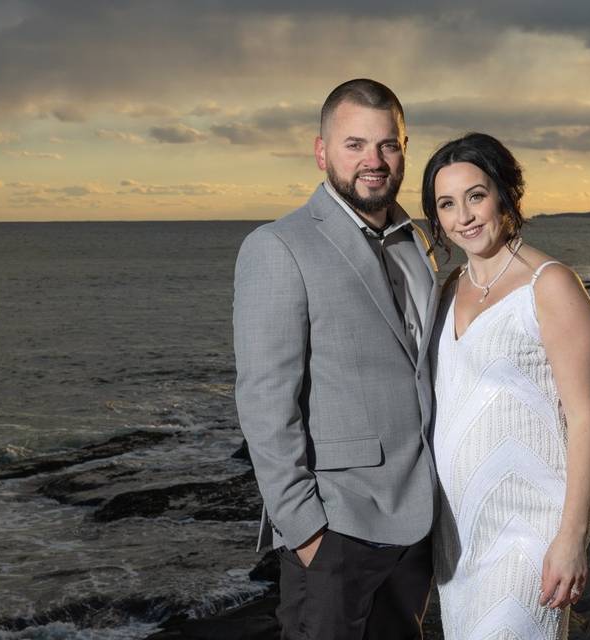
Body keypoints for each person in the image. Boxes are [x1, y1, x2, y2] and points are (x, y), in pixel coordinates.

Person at [233, 79, 439, 639]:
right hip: (336, 528)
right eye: (354, 145)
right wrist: (305, 531)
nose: (373, 161)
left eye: (387, 145)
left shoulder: (415, 242)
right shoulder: (278, 247)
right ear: (321, 152)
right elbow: (264, 400)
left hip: (415, 523)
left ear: (403, 149)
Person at [422, 133, 590, 639]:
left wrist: (572, 539)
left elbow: (586, 420)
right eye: (448, 204)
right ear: (437, 219)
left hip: (529, 537)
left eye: (476, 195)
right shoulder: (443, 292)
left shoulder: (550, 286)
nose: (466, 216)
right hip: (458, 539)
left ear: (504, 194)